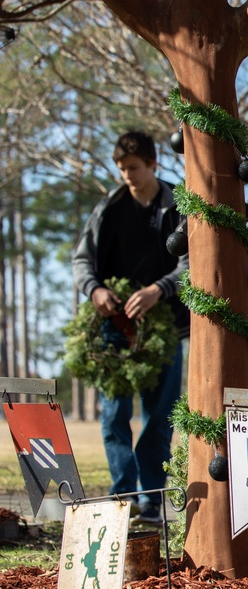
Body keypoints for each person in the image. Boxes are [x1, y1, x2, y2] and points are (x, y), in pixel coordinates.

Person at [72, 131, 189, 524]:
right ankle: (122, 499)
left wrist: (161, 289)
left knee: (158, 417)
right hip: (113, 328)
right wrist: (95, 290)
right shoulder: (109, 207)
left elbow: (195, 262)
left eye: (134, 168)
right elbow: (82, 260)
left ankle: (152, 502)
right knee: (113, 414)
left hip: (166, 329)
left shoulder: (179, 206)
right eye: (121, 169)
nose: (127, 175)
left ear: (154, 164)